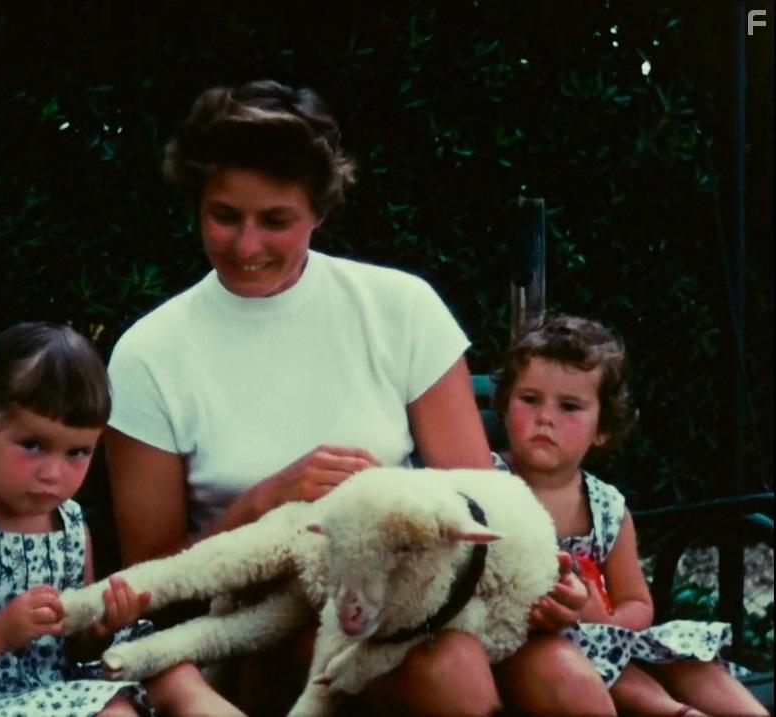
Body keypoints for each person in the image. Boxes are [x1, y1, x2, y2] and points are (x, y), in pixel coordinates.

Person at [104, 79, 612, 716]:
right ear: (195, 205)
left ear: (320, 210)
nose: (247, 245)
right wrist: (263, 501)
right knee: (450, 674)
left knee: (564, 678)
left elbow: (484, 508)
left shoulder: (399, 309)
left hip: (427, 600)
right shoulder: (152, 353)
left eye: (276, 220)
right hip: (263, 629)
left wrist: (543, 592)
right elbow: (153, 584)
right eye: (224, 216)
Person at [0, 322, 242, 717]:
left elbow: (71, 644)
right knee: (112, 712)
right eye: (33, 445)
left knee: (176, 676)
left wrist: (98, 628)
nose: (53, 473)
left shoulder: (67, 522)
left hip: (40, 688)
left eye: (77, 453)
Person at [492, 314, 768, 717]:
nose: (545, 417)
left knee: (686, 659)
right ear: (504, 406)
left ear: (602, 428)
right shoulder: (487, 480)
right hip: (534, 646)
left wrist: (608, 623)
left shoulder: (607, 507)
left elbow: (637, 601)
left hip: (603, 632)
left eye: (569, 406)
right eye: (530, 399)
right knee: (603, 662)